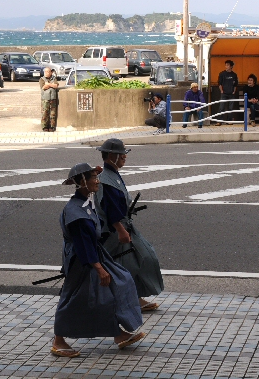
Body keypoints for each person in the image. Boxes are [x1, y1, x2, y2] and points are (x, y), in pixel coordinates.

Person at [51, 162, 145, 357]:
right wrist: (99, 268)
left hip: (92, 256)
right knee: (74, 299)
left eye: (96, 177)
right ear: (82, 182)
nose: (97, 181)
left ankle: (119, 335)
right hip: (82, 261)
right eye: (93, 178)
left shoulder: (84, 204)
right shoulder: (77, 212)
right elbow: (83, 245)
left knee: (117, 285)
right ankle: (58, 341)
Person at [96, 138, 165, 313]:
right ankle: (127, 299)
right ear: (112, 156)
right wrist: (120, 229)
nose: (125, 158)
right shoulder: (106, 179)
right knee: (131, 264)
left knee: (141, 258)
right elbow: (109, 208)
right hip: (115, 231)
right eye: (122, 155)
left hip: (124, 227)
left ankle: (133, 297)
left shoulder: (112, 174)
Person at [40, 67, 59, 132]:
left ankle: (52, 126)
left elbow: (56, 85)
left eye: (48, 71)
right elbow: (44, 87)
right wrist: (51, 85)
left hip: (53, 98)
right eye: (45, 72)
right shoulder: (42, 79)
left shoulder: (54, 78)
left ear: (50, 72)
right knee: (45, 113)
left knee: (52, 113)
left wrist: (48, 84)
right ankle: (44, 126)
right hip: (45, 99)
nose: (46, 73)